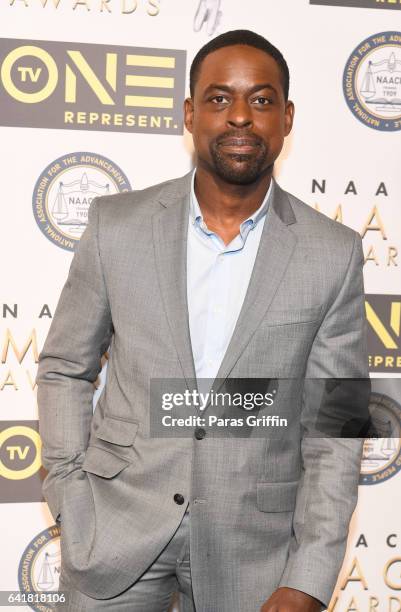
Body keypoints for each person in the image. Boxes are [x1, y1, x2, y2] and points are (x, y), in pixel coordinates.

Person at [37, 29, 369, 612]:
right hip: (114, 532)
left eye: (261, 100)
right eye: (219, 99)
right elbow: (65, 366)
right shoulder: (117, 224)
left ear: (287, 118)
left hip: (256, 552)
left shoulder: (332, 252)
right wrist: (69, 492)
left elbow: (336, 425)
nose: (240, 116)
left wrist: (312, 572)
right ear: (190, 114)